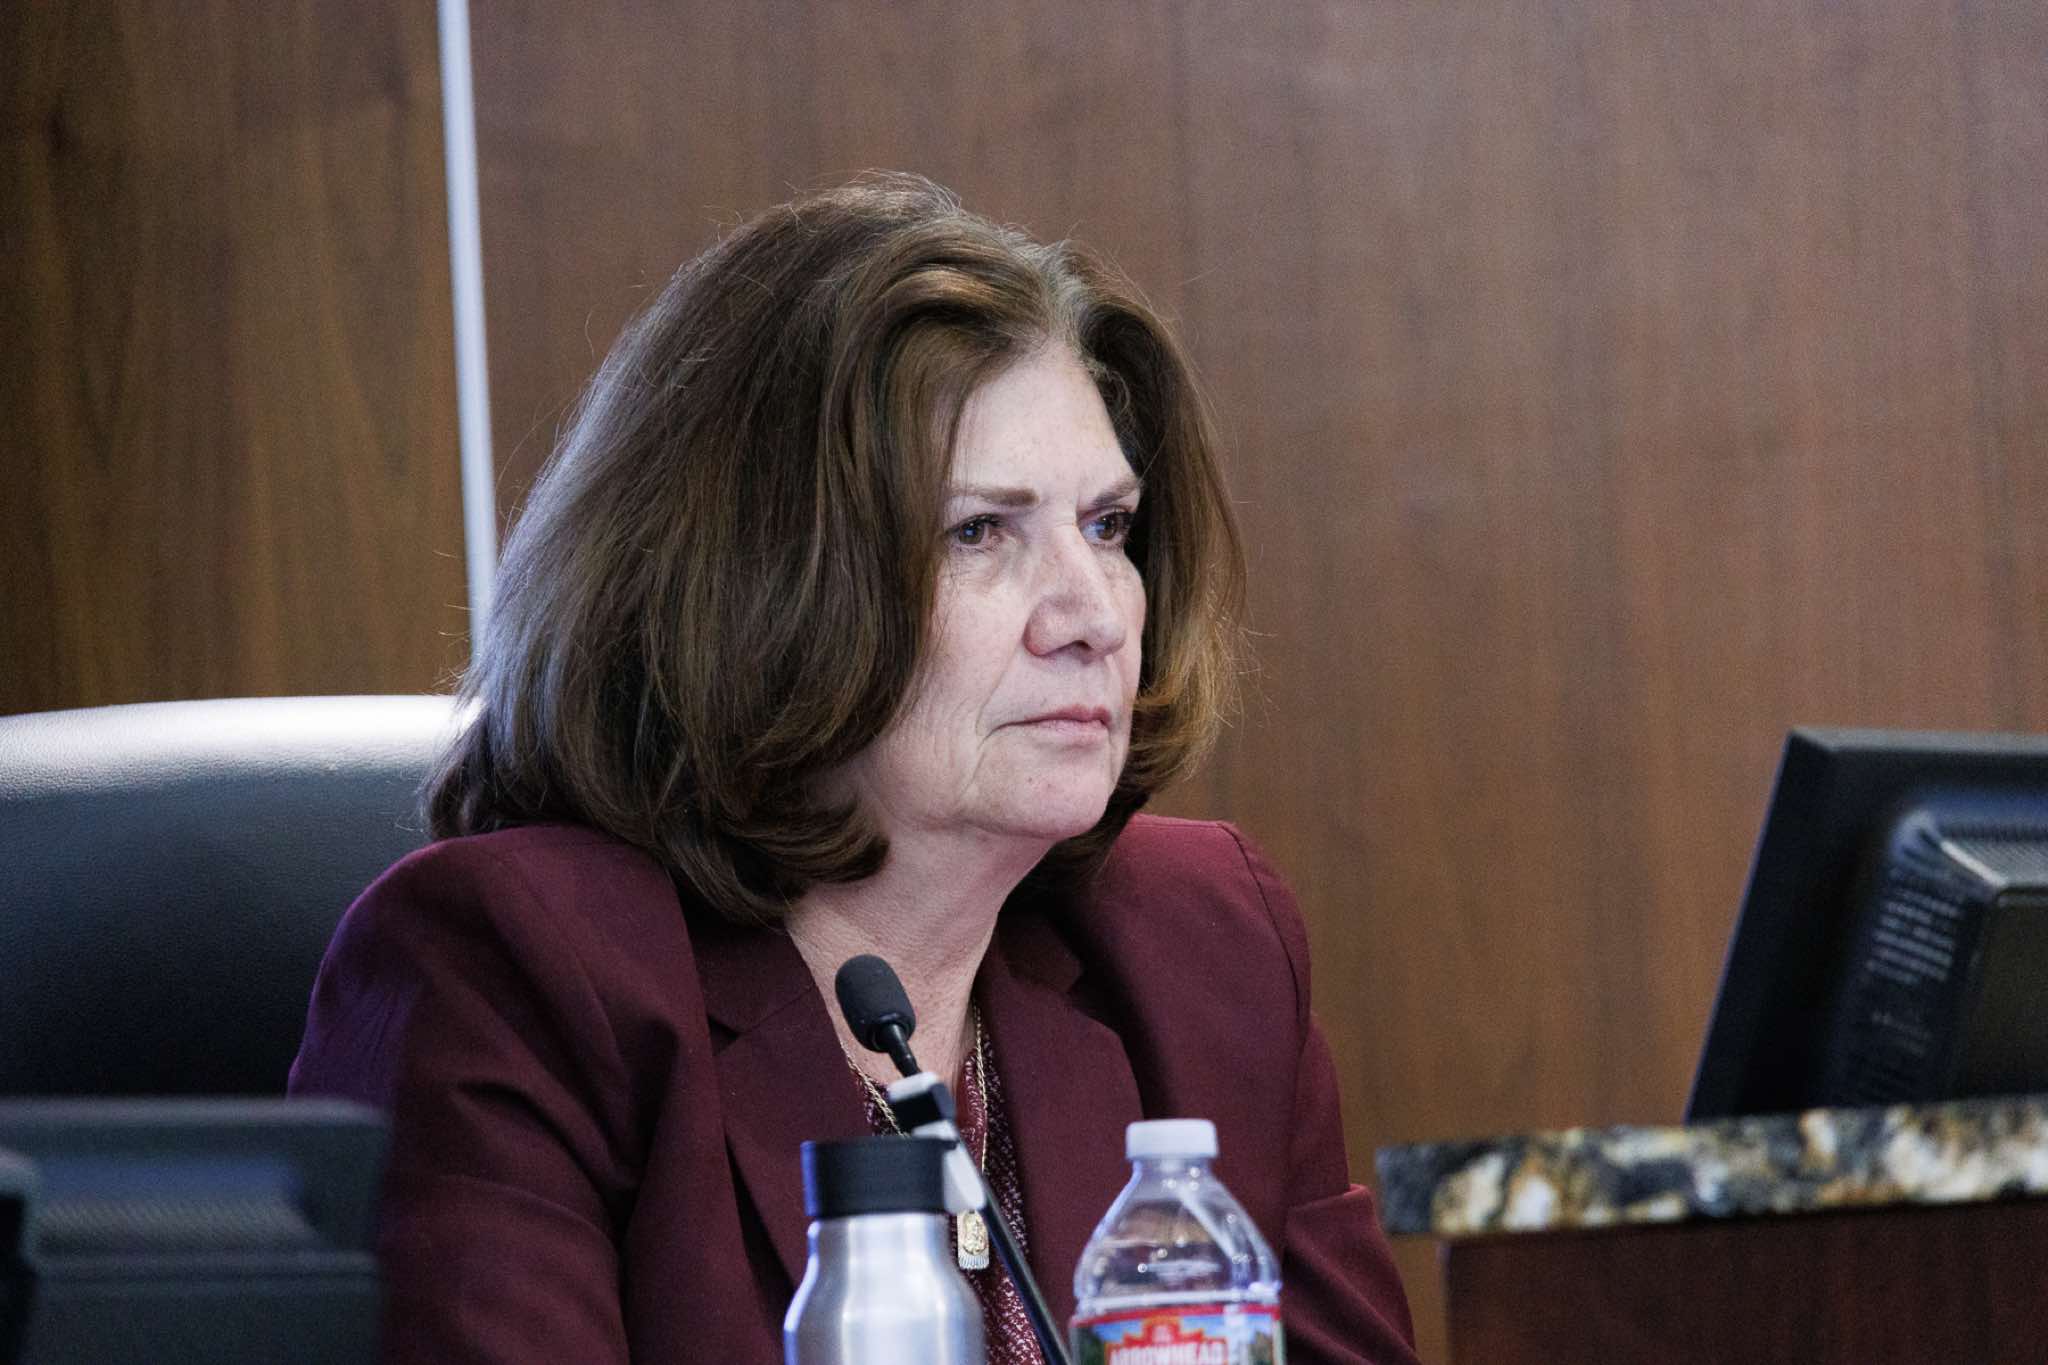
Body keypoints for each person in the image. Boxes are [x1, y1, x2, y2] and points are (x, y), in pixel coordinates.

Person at [290, 174, 1418, 1364]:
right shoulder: (517, 975)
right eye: (979, 531)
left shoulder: (1205, 952)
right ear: (759, 586)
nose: (1091, 614)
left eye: (1107, 526)